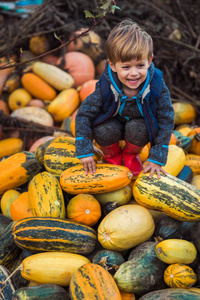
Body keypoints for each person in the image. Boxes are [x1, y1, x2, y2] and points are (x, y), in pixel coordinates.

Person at [75, 19, 174, 179]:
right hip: (112, 125)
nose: (134, 73)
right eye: (126, 67)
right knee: (103, 130)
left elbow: (166, 119)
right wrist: (84, 150)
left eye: (140, 66)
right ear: (112, 65)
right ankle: (112, 157)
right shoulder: (106, 86)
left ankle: (130, 156)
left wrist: (157, 156)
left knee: (139, 128)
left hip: (138, 127)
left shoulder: (156, 85)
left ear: (149, 61)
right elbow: (84, 115)